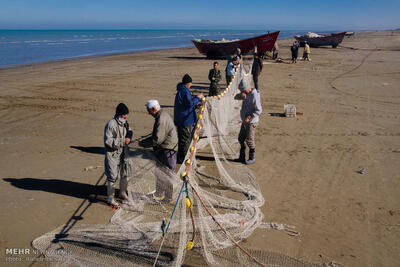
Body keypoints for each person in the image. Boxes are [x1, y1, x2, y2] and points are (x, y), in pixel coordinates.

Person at [104, 103, 133, 207]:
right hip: (113, 154)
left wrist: (129, 138)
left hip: (124, 153)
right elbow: (108, 141)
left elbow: (130, 131)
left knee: (125, 173)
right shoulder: (111, 124)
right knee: (112, 176)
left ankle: (122, 192)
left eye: (127, 114)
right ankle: (110, 198)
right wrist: (121, 141)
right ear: (119, 114)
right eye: (125, 114)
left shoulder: (125, 122)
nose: (126, 116)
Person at [174, 74, 204, 164]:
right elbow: (189, 104)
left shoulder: (181, 90)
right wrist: (198, 98)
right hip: (185, 120)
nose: (190, 85)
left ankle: (180, 157)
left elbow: (187, 104)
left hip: (181, 119)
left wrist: (196, 104)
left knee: (181, 140)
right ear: (188, 83)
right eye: (190, 83)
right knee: (185, 140)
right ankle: (183, 159)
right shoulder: (184, 91)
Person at [234, 81, 262, 165]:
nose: (241, 92)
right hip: (245, 121)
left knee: (249, 140)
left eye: (242, 90)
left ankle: (252, 158)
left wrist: (249, 117)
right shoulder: (245, 94)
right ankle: (242, 157)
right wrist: (240, 95)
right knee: (241, 138)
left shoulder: (254, 95)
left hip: (252, 122)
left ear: (247, 89)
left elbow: (259, 110)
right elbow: (235, 97)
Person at [146, 99, 178, 171]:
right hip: (169, 148)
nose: (148, 113)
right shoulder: (163, 114)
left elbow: (157, 139)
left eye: (149, 110)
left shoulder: (160, 119)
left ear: (153, 109)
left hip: (168, 150)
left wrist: (142, 143)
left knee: (167, 174)